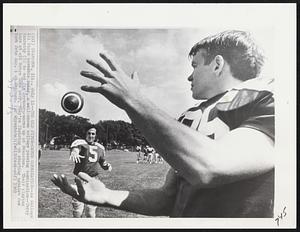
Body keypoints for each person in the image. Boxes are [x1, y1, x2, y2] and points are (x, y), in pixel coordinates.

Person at [52, 30, 274, 217]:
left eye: (195, 65)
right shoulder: (190, 117)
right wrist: (106, 195)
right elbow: (168, 198)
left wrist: (133, 101)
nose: (189, 77)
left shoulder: (267, 98)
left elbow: (212, 166)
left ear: (217, 65)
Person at [68, 127, 112, 218]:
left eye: (93, 134)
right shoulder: (81, 143)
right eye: (89, 133)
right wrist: (74, 151)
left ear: (96, 135)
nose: (91, 135)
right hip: (80, 179)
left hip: (93, 180)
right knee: (78, 210)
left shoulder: (100, 148)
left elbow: (102, 161)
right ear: (86, 134)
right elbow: (76, 148)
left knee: (91, 211)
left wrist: (107, 165)